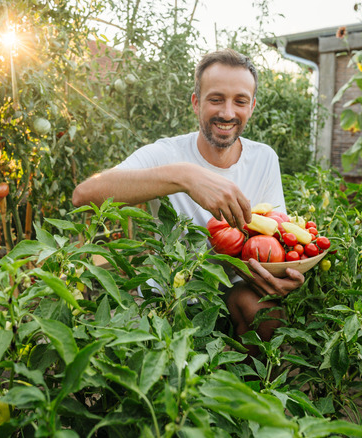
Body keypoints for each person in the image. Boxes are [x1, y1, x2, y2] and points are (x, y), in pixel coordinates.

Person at [72, 48, 304, 348]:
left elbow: (277, 237)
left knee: (263, 311)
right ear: (196, 103)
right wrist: (184, 177)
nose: (228, 113)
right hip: (171, 297)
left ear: (252, 106)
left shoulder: (263, 159)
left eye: (240, 101)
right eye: (216, 99)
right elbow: (84, 195)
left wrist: (285, 275)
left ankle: (248, 389)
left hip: (236, 296)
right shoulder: (166, 155)